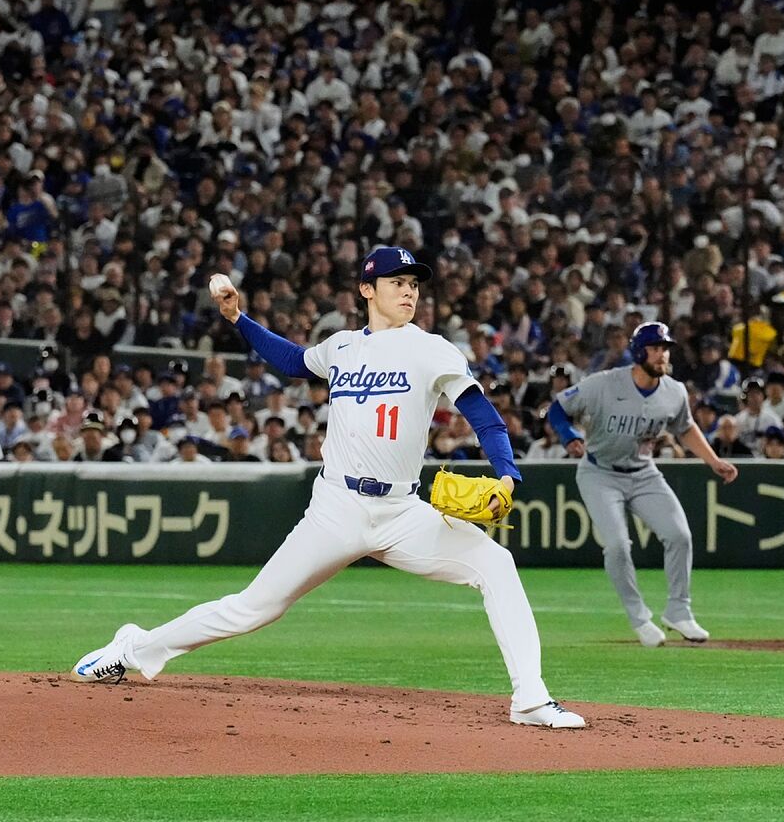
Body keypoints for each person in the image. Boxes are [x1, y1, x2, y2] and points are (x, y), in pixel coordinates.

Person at [70, 246, 584, 728]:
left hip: (402, 511)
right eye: (396, 282)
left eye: (413, 284)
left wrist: (507, 472)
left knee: (496, 564)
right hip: (336, 507)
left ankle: (531, 698)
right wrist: (236, 319)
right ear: (367, 289)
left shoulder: (432, 350)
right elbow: (294, 362)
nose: (409, 291)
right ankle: (135, 648)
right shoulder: (341, 346)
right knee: (254, 608)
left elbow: (485, 418)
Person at [545, 321, 739, 649]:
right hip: (599, 473)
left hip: (644, 472)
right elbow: (557, 409)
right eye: (656, 348)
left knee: (679, 535)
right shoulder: (603, 384)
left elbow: (686, 428)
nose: (663, 355)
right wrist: (568, 438)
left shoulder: (674, 391)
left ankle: (679, 610)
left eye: (665, 349)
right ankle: (639, 618)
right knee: (619, 545)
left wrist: (714, 461)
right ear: (639, 351)